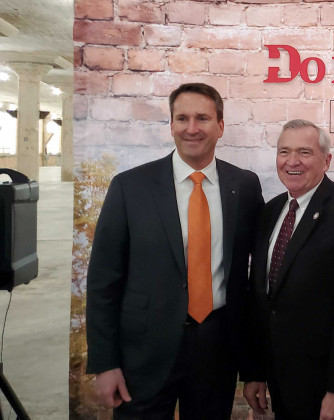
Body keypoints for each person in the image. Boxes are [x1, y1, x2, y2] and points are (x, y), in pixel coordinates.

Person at [85, 82, 264, 419]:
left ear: (221, 126)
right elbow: (102, 282)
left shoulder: (244, 185)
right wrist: (105, 363)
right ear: (170, 125)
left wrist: (254, 365)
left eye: (203, 118)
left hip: (217, 349)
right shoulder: (130, 186)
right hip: (143, 353)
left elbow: (251, 280)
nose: (191, 128)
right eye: (182, 118)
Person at [241, 119, 334, 420]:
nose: (292, 162)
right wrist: (255, 371)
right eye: (284, 152)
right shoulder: (269, 211)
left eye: (304, 152)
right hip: (281, 384)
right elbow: (262, 300)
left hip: (327, 391)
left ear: (326, 160)